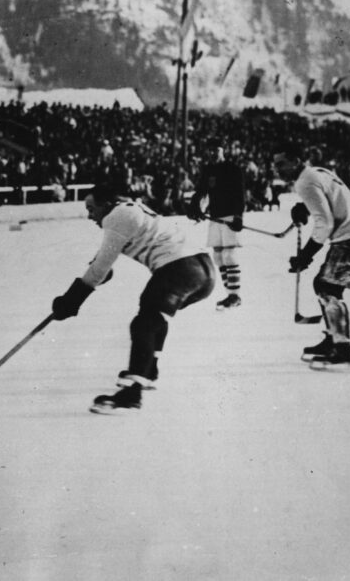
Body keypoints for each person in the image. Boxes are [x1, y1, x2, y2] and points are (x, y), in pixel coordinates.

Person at [50, 179, 215, 413]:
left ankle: (132, 393)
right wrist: (94, 275)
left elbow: (100, 268)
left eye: (91, 209)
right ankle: (149, 370)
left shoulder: (115, 217)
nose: (90, 216)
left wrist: (70, 301)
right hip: (202, 272)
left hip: (180, 268)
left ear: (107, 204)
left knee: (144, 323)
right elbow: (102, 263)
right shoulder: (128, 210)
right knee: (154, 315)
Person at [273, 143, 350, 369]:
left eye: (281, 164)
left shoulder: (305, 181)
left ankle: (343, 349)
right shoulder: (317, 172)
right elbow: (330, 200)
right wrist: (305, 207)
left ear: (296, 160)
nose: (277, 170)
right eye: (274, 165)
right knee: (323, 285)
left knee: (328, 289)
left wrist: (305, 256)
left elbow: (325, 223)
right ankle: (332, 340)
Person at [186, 144, 246, 310]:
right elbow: (201, 191)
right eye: (210, 150)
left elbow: (240, 193)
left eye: (216, 150)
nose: (213, 153)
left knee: (229, 255)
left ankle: (235, 295)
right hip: (215, 216)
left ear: (223, 151)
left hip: (230, 216)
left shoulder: (233, 169)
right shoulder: (208, 169)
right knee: (218, 257)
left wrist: (239, 215)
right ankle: (230, 294)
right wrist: (195, 206)